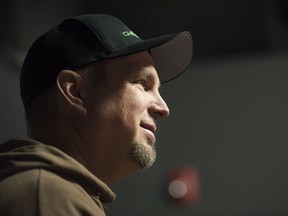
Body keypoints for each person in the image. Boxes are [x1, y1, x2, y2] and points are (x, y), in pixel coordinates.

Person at [0, 14, 192, 215]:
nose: (163, 108)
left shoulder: (63, 194)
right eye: (142, 84)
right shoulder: (45, 196)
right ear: (75, 91)